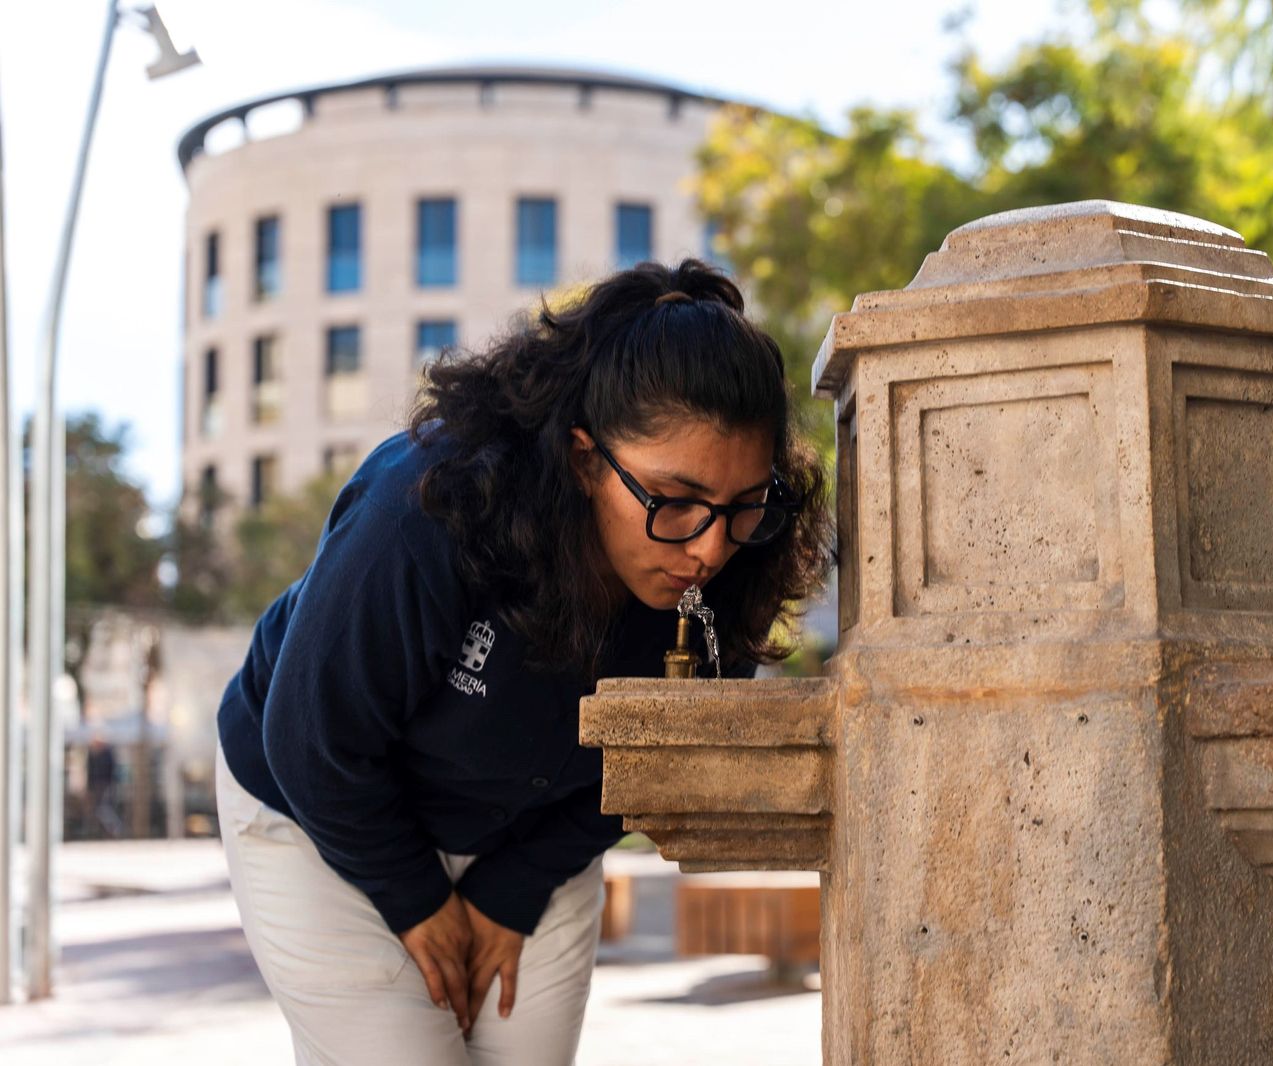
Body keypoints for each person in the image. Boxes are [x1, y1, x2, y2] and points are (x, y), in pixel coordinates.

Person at [214, 259, 832, 1066]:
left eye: (744, 505)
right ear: (583, 458)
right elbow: (310, 736)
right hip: (320, 813)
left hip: (529, 844)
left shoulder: (734, 562)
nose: (711, 547)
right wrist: (414, 898)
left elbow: (651, 766)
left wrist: (514, 887)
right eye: (672, 500)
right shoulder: (429, 506)